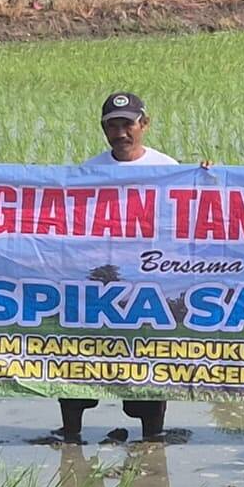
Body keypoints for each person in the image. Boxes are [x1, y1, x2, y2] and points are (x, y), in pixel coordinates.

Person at [57, 91, 174, 441]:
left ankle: (152, 440)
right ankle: (70, 436)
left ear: (144, 124)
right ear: (103, 129)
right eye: (112, 126)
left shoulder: (170, 169)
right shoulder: (89, 172)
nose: (120, 133)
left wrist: (209, 177)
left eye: (128, 124)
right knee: (78, 358)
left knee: (148, 361)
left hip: (147, 280)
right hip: (98, 279)